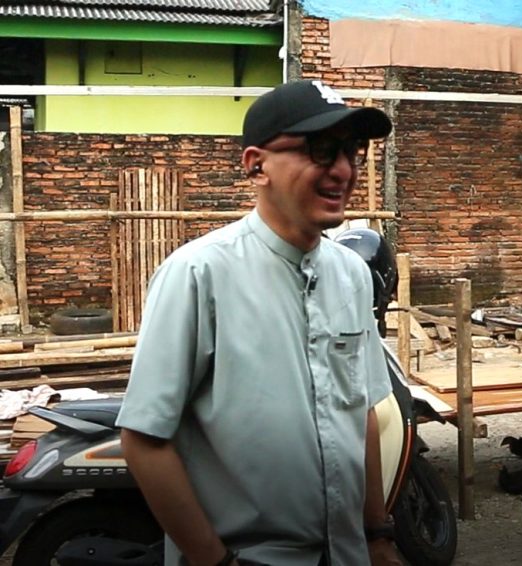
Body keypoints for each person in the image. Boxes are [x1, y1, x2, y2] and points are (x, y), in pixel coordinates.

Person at [117, 80, 402, 566]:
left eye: (352, 152)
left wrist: (377, 535)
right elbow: (144, 439)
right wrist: (214, 560)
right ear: (256, 165)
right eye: (322, 149)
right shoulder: (198, 273)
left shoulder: (352, 273)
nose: (343, 170)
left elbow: (363, 413)